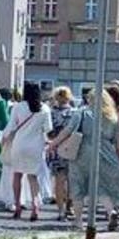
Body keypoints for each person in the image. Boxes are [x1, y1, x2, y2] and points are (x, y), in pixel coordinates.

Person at [52, 87, 119, 230]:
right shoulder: (113, 116)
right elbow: (118, 141)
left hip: (82, 151)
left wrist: (53, 145)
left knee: (77, 185)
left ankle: (78, 221)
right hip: (105, 152)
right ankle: (111, 212)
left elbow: (68, 131)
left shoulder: (83, 112)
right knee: (101, 186)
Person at [1, 81, 52, 221]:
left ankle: (17, 205)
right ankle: (35, 205)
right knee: (33, 177)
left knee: (17, 175)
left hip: (19, 144)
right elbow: (48, 129)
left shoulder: (18, 107)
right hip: (36, 146)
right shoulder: (45, 109)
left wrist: (4, 140)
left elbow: (11, 125)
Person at [46, 86, 79, 221]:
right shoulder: (75, 113)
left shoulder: (51, 113)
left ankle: (60, 210)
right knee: (72, 181)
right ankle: (69, 207)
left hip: (57, 148)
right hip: (72, 149)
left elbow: (48, 132)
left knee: (59, 180)